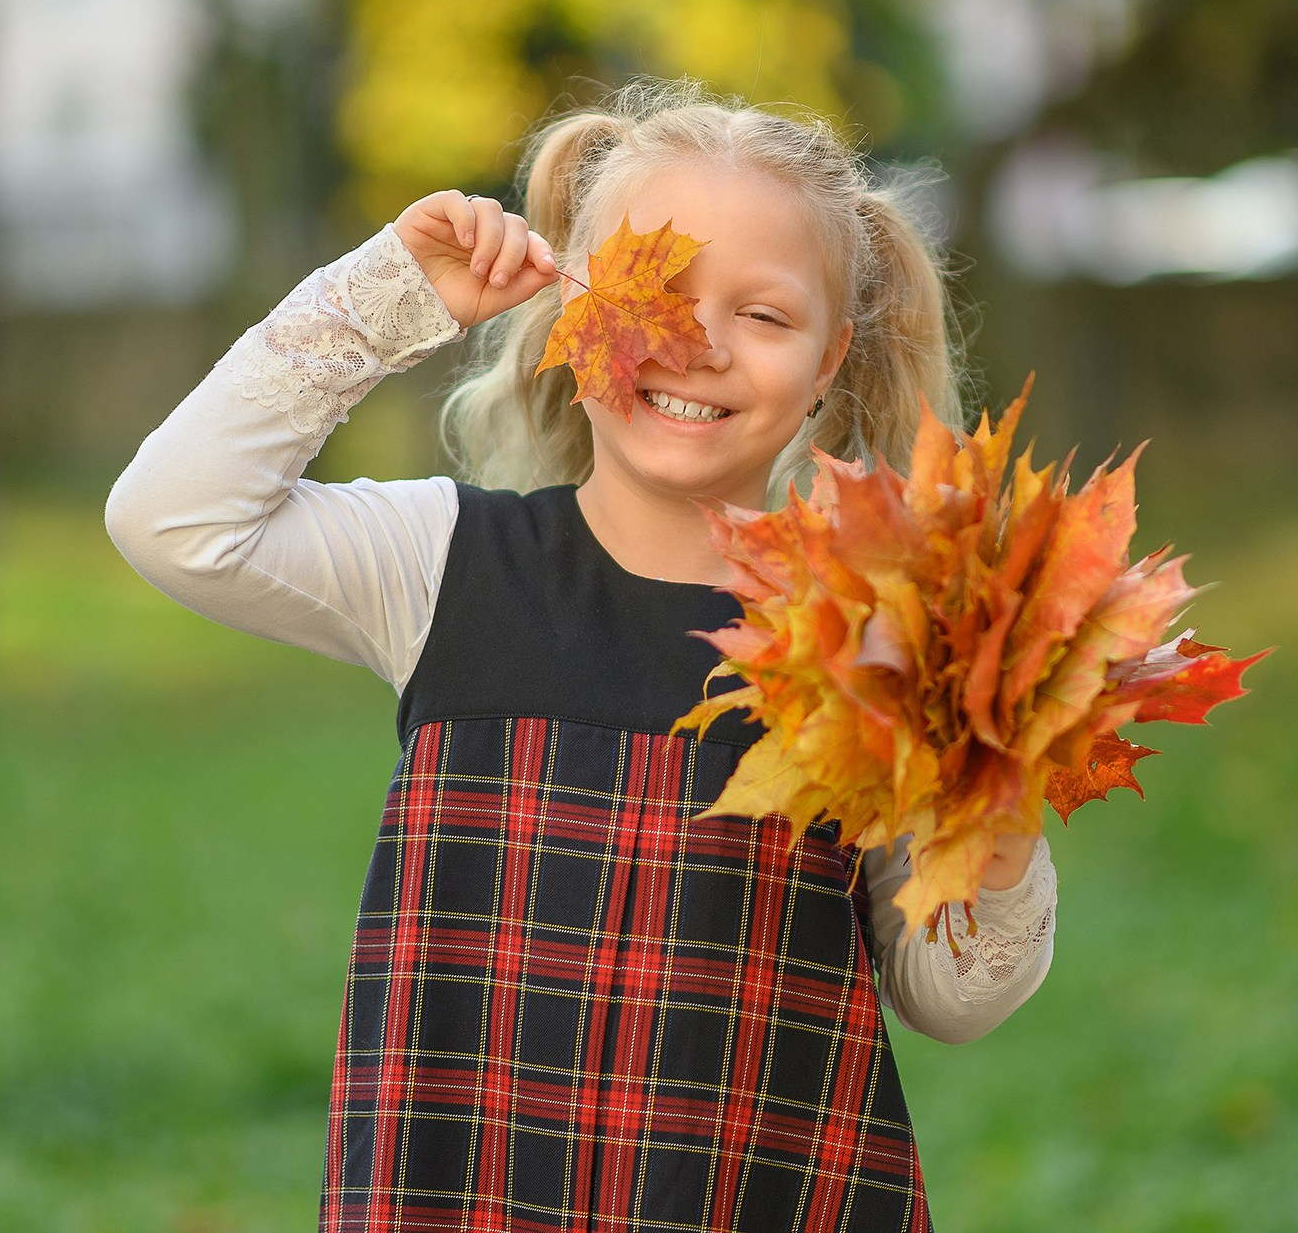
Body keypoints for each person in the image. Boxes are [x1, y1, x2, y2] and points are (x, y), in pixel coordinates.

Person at [106, 79, 1059, 1232]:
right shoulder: (443, 566)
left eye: (762, 316)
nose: (700, 343)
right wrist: (392, 298)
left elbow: (950, 994)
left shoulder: (877, 639)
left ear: (827, 361)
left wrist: (1000, 839)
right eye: (654, 291)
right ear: (572, 313)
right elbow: (173, 517)